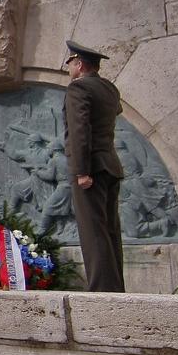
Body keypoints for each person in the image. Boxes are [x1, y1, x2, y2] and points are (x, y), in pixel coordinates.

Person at [62, 40, 126, 292]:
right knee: (110, 230)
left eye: (70, 62)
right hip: (110, 165)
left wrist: (81, 171)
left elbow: (79, 131)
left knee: (93, 232)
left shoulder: (78, 90)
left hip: (92, 168)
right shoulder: (109, 88)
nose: (68, 68)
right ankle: (115, 287)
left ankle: (102, 291)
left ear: (79, 64)